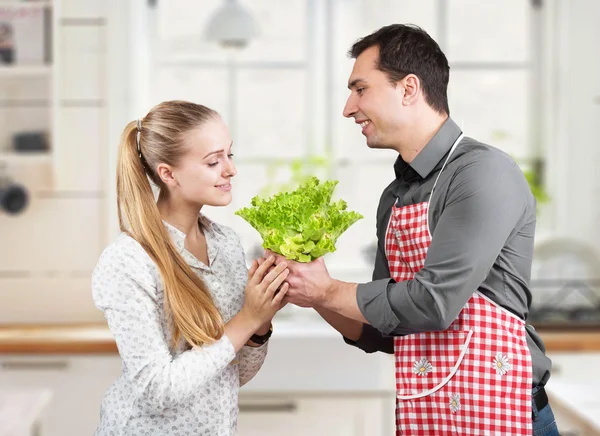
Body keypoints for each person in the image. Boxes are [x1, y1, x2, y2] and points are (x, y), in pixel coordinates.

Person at [268, 24, 558, 435]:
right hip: (431, 416)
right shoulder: (396, 195)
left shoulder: (481, 173)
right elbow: (383, 328)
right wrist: (310, 291)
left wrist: (329, 290)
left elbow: (434, 303)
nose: (348, 108)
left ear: (408, 89)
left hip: (504, 414)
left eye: (360, 89)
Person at [92, 100, 290, 435]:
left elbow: (232, 376)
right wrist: (247, 319)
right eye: (213, 161)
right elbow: (158, 390)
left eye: (230, 154)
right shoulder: (128, 260)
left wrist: (261, 322)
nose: (230, 169)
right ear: (168, 174)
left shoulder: (225, 243)